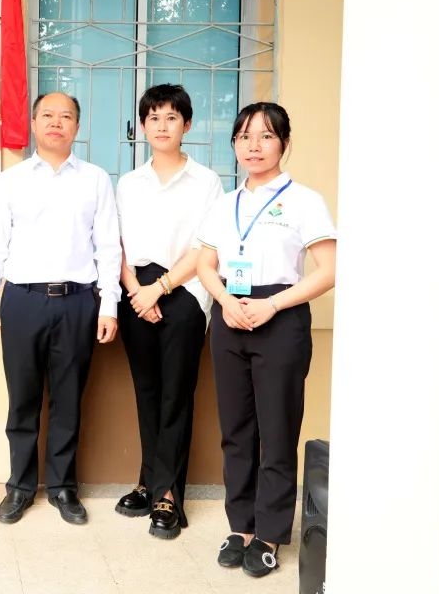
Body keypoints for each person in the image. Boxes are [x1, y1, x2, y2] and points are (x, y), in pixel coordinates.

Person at [196, 102, 336, 578]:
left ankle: (271, 533)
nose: (253, 146)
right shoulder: (225, 203)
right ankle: (241, 527)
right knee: (236, 431)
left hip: (280, 317)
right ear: (234, 144)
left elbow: (329, 270)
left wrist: (272, 305)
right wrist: (224, 301)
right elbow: (205, 264)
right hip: (229, 316)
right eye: (244, 137)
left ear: (284, 143)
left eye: (266, 136)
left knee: (276, 432)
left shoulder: (305, 201)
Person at [0, 92, 121, 526]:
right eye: (48, 115)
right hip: (22, 300)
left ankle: (62, 487)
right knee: (22, 399)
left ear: (77, 126)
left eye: (66, 116)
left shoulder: (96, 180)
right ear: (34, 123)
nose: (57, 123)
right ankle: (20, 487)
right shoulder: (12, 180)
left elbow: (108, 247)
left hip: (78, 301)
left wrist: (109, 306)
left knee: (68, 399)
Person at [114, 84, 223, 540]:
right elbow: (116, 244)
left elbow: (205, 247)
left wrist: (160, 289)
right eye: (154, 117)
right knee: (147, 392)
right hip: (136, 290)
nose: (162, 125)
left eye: (172, 117)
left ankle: (168, 496)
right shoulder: (128, 183)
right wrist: (136, 291)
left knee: (176, 393)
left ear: (187, 125)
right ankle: (148, 480)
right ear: (142, 126)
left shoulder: (206, 181)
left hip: (185, 290)